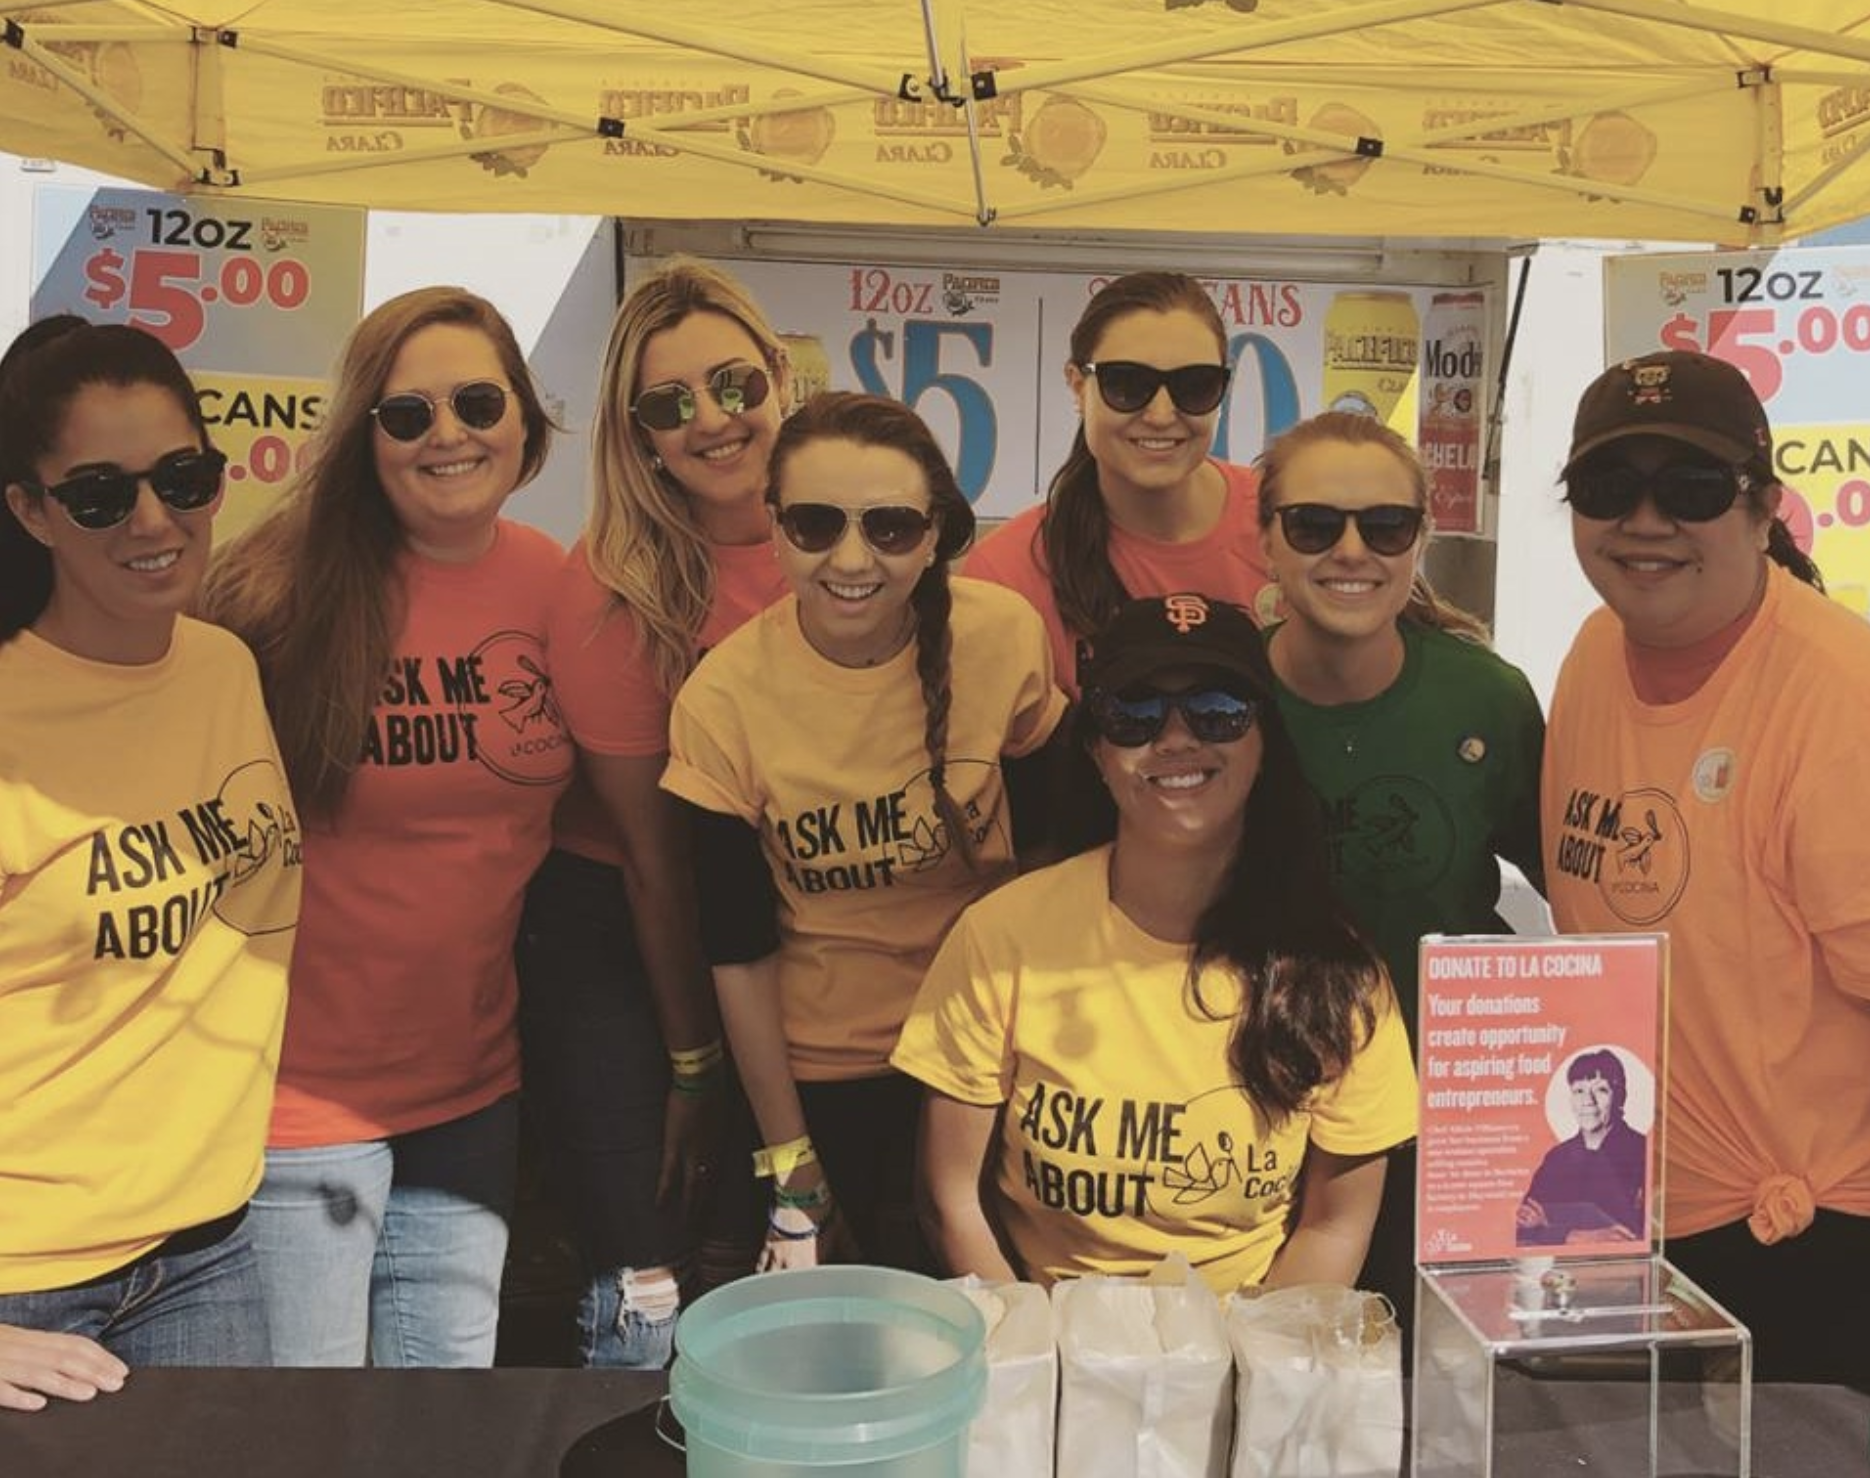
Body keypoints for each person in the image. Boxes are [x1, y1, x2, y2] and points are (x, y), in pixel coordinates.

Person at [199, 288, 572, 1367]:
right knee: (309, 1423)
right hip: (296, 1101)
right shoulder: (274, 588)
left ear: (523, 415)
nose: (447, 434)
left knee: (446, 1419)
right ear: (365, 437)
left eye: (476, 403)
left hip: (473, 1091)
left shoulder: (556, 582)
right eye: (407, 415)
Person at [895, 593, 1417, 1295]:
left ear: (1264, 741)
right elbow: (951, 1198)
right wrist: (1038, 1344)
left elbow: (1335, 1225)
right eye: (1134, 714)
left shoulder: (1339, 973)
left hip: (1253, 1341)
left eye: (1218, 710)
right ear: (1096, 750)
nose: (1175, 738)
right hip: (1047, 1335)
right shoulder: (1001, 936)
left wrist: (1248, 1358)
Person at [662, 392, 1066, 1273]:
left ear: (933, 536)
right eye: (815, 524)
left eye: (889, 527)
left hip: (987, 1054)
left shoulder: (1005, 639)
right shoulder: (721, 701)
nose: (851, 559)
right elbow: (738, 951)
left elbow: (1048, 866)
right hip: (818, 1072)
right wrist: (791, 1163)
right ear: (773, 529)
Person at [1544, 348, 1867, 1385]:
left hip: (1805, 1240)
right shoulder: (1592, 652)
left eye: (1689, 489)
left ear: (1763, 507)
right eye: (1607, 486)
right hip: (1625, 1211)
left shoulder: (1839, 695)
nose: (1644, 522)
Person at [0, 318, 300, 1408]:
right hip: (24, 1284)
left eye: (182, 477)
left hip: (209, 1243)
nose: (154, 520)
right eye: (98, 494)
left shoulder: (221, 667)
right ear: (30, 510)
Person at [521, 257, 790, 1367]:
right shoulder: (612, 581)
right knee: (648, 1263)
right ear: (637, 436)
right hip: (629, 933)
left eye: (734, 384)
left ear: (780, 376)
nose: (712, 421)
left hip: (785, 922)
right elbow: (654, 858)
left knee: (773, 1245)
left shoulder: (844, 531)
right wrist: (695, 1061)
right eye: (669, 405)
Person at [1255, 410, 1545, 1317]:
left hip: (1448, 1123)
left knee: (1441, 1369)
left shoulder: (1487, 698)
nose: (1351, 551)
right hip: (1258, 1119)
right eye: (1314, 524)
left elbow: (1577, 888)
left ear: (1420, 540)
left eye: (1385, 526)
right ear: (1265, 538)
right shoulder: (1220, 700)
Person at [965, 270, 1272, 695]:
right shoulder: (1007, 574)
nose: (1161, 415)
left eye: (1195, 385)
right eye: (1126, 384)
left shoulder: (1293, 525)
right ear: (1078, 386)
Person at [1516, 1049, 1647, 1246]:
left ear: (1620, 1096)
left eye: (1601, 1090)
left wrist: (1549, 1226)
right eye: (1579, 1091)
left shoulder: (1642, 1151)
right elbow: (1522, 1228)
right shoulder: (1557, 1158)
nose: (1588, 1101)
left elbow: (1634, 1233)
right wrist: (1573, 1236)